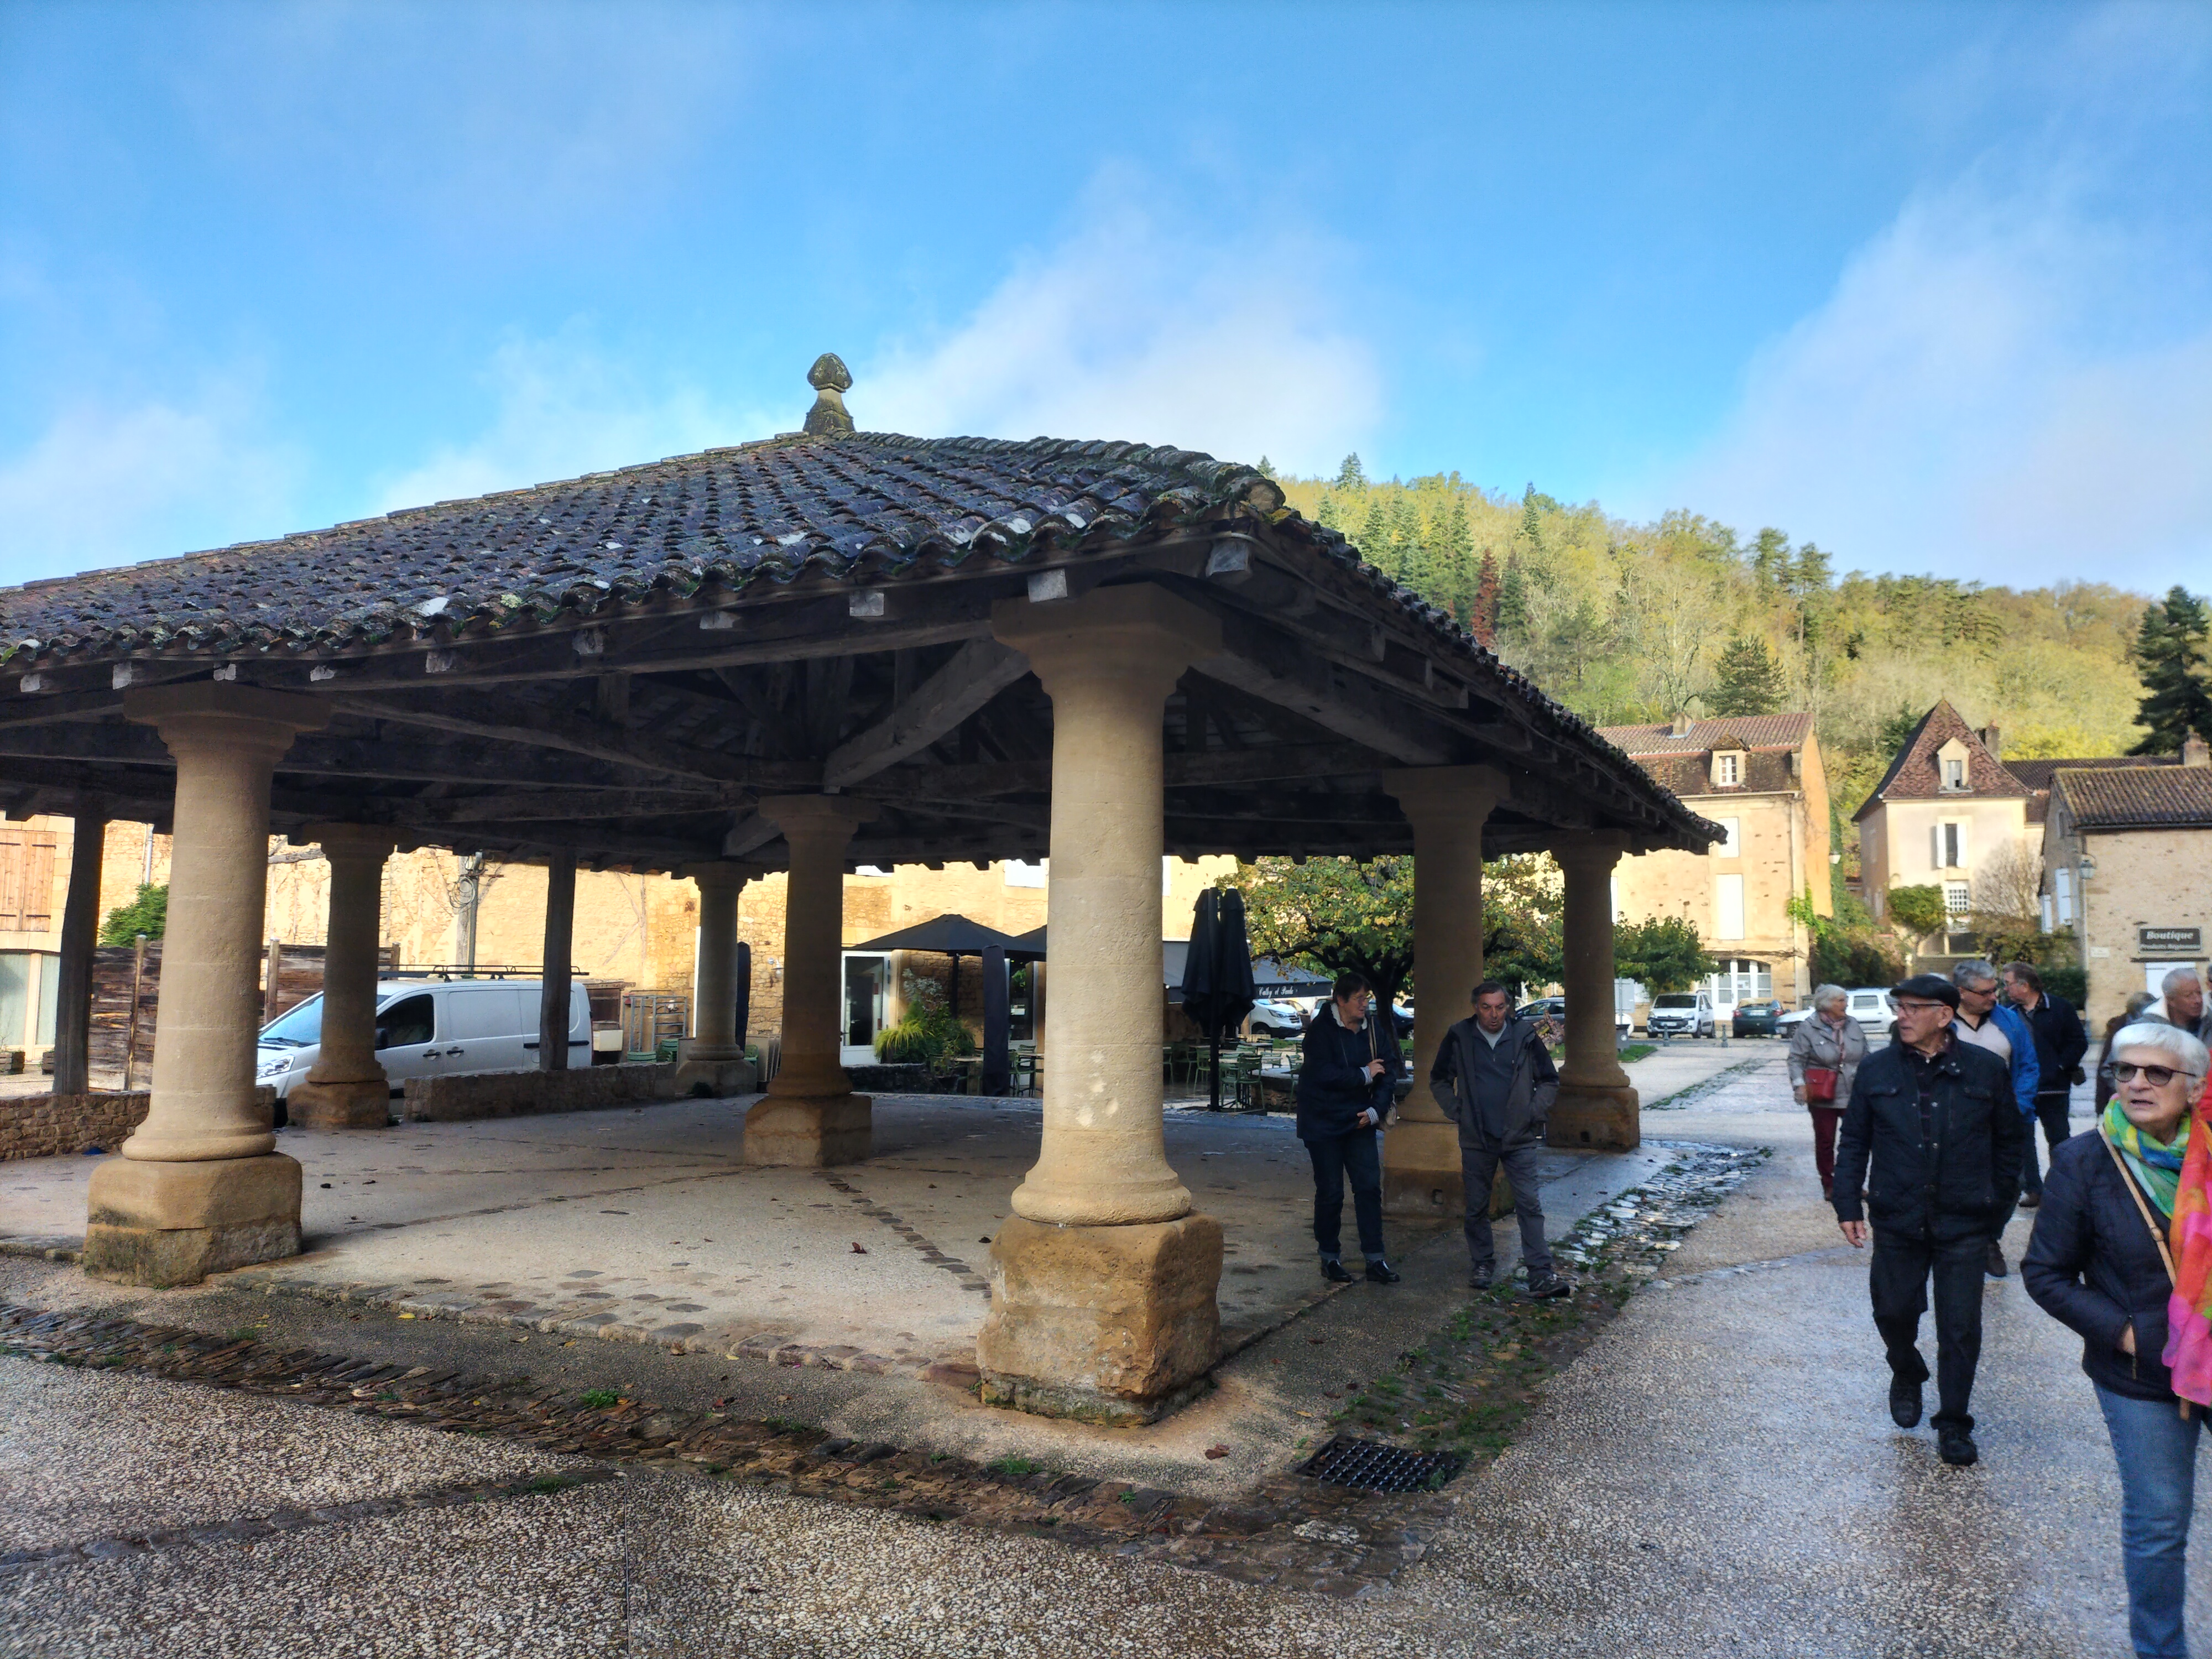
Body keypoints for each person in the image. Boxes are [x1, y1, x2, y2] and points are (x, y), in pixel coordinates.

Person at [2023, 1021, 2212, 1658]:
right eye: (2124, 1070)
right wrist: (2124, 1332)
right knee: (2159, 1526)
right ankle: (2161, 1651)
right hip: (2141, 1375)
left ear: (2192, 1087)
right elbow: (2044, 1274)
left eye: (2156, 1073)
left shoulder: (2210, 1155)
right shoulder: (2083, 1160)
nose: (2136, 1083)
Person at [1833, 974, 2023, 1467]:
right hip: (1898, 1217)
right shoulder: (1875, 1070)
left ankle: (1955, 1423)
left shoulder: (1985, 1070)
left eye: (1913, 1008)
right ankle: (1907, 1367)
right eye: (1900, 1007)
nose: (1902, 1015)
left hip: (1965, 1220)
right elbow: (1854, 1142)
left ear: (1944, 1015)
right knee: (1892, 1311)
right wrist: (1848, 1205)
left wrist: (1996, 1210)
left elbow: (2010, 1145)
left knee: (1960, 1327)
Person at [1431, 980, 1570, 1298]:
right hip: (1477, 1136)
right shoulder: (1459, 1036)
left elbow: (1549, 1080)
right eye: (1486, 1007)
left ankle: (1541, 1273)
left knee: (1530, 1205)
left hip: (1519, 1136)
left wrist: (1532, 1112)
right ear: (1475, 1007)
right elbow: (1438, 1079)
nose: (1493, 1015)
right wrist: (1458, 1111)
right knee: (1477, 1206)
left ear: (1507, 1007)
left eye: (1500, 1007)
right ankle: (1482, 1262)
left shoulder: (1524, 1036)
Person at [1295, 972, 1402, 1284]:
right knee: (1331, 1192)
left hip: (1361, 1120)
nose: (1364, 1004)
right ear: (1340, 1000)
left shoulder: (1373, 1030)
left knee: (1368, 1187)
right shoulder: (1320, 1032)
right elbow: (1322, 1075)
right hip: (1323, 1123)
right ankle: (1329, 1257)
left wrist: (1375, 1109)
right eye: (1359, 999)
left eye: (1367, 998)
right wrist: (1363, 1076)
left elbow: (1389, 1072)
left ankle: (1375, 1258)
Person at [1951, 959, 2039, 1277]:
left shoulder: (2009, 1022)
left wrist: (2018, 1107)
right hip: (1957, 1122)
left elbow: (2029, 1066)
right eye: (1986, 992)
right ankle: (1969, 1241)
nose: (1994, 997)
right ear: (1962, 993)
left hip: (2008, 1120)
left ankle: (1990, 1237)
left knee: (2010, 1184)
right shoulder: (1944, 1024)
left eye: (1996, 990)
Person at [2005, 961, 2089, 1212]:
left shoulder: (2059, 1008)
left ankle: (2062, 1189)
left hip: (2054, 1089)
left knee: (2060, 1141)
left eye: (2009, 984)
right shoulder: (2009, 1013)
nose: (2006, 989)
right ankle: (2034, 1189)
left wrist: (2061, 1067)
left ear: (2025, 985)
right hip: (2022, 1090)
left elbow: (2078, 1042)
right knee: (2023, 1142)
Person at [1788, 984, 1869, 1201]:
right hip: (1823, 1094)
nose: (1846, 1004)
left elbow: (1867, 1056)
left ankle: (1854, 1185)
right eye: (1840, 1000)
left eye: (1845, 999)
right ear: (1827, 1004)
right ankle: (1830, 1185)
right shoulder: (1808, 1028)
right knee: (1825, 1142)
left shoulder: (1853, 1025)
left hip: (1853, 1092)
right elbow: (1796, 1060)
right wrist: (1800, 1085)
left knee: (1856, 1142)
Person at [2101, 994, 2163, 1111]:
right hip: (2123, 1102)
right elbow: (2107, 1070)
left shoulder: (2154, 1028)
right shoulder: (2123, 1031)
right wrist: (2125, 1087)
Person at [2150, 967, 2212, 1047]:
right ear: (2171, 999)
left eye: (2199, 993)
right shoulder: (2148, 1029)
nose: (2198, 1000)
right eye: (2188, 995)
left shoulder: (2209, 1021)